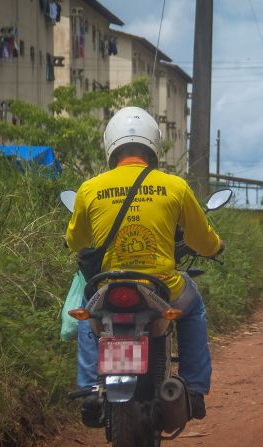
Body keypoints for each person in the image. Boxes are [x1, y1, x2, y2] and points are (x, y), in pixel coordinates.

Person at [66, 107, 223, 427]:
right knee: (194, 308)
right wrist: (216, 247)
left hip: (108, 286)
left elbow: (76, 241)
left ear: (111, 144)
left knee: (87, 311)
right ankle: (193, 388)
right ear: (153, 144)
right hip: (161, 288)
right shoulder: (175, 186)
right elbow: (201, 238)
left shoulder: (89, 189)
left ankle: (89, 388)